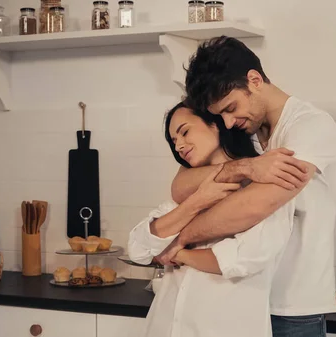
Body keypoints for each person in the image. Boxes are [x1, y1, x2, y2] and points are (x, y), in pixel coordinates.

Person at [156, 36, 336, 337]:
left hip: (290, 309)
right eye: (220, 116)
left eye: (231, 108)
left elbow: (255, 205)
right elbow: (181, 186)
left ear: (254, 80)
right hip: (235, 302)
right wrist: (244, 167)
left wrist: (183, 238)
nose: (228, 123)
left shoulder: (310, 126)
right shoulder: (244, 132)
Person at [128, 102, 310, 337]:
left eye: (184, 132)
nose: (180, 145)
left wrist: (176, 251)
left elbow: (243, 258)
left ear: (216, 124)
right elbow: (139, 249)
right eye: (174, 141)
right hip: (166, 327)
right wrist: (197, 201)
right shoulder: (187, 191)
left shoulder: (264, 190)